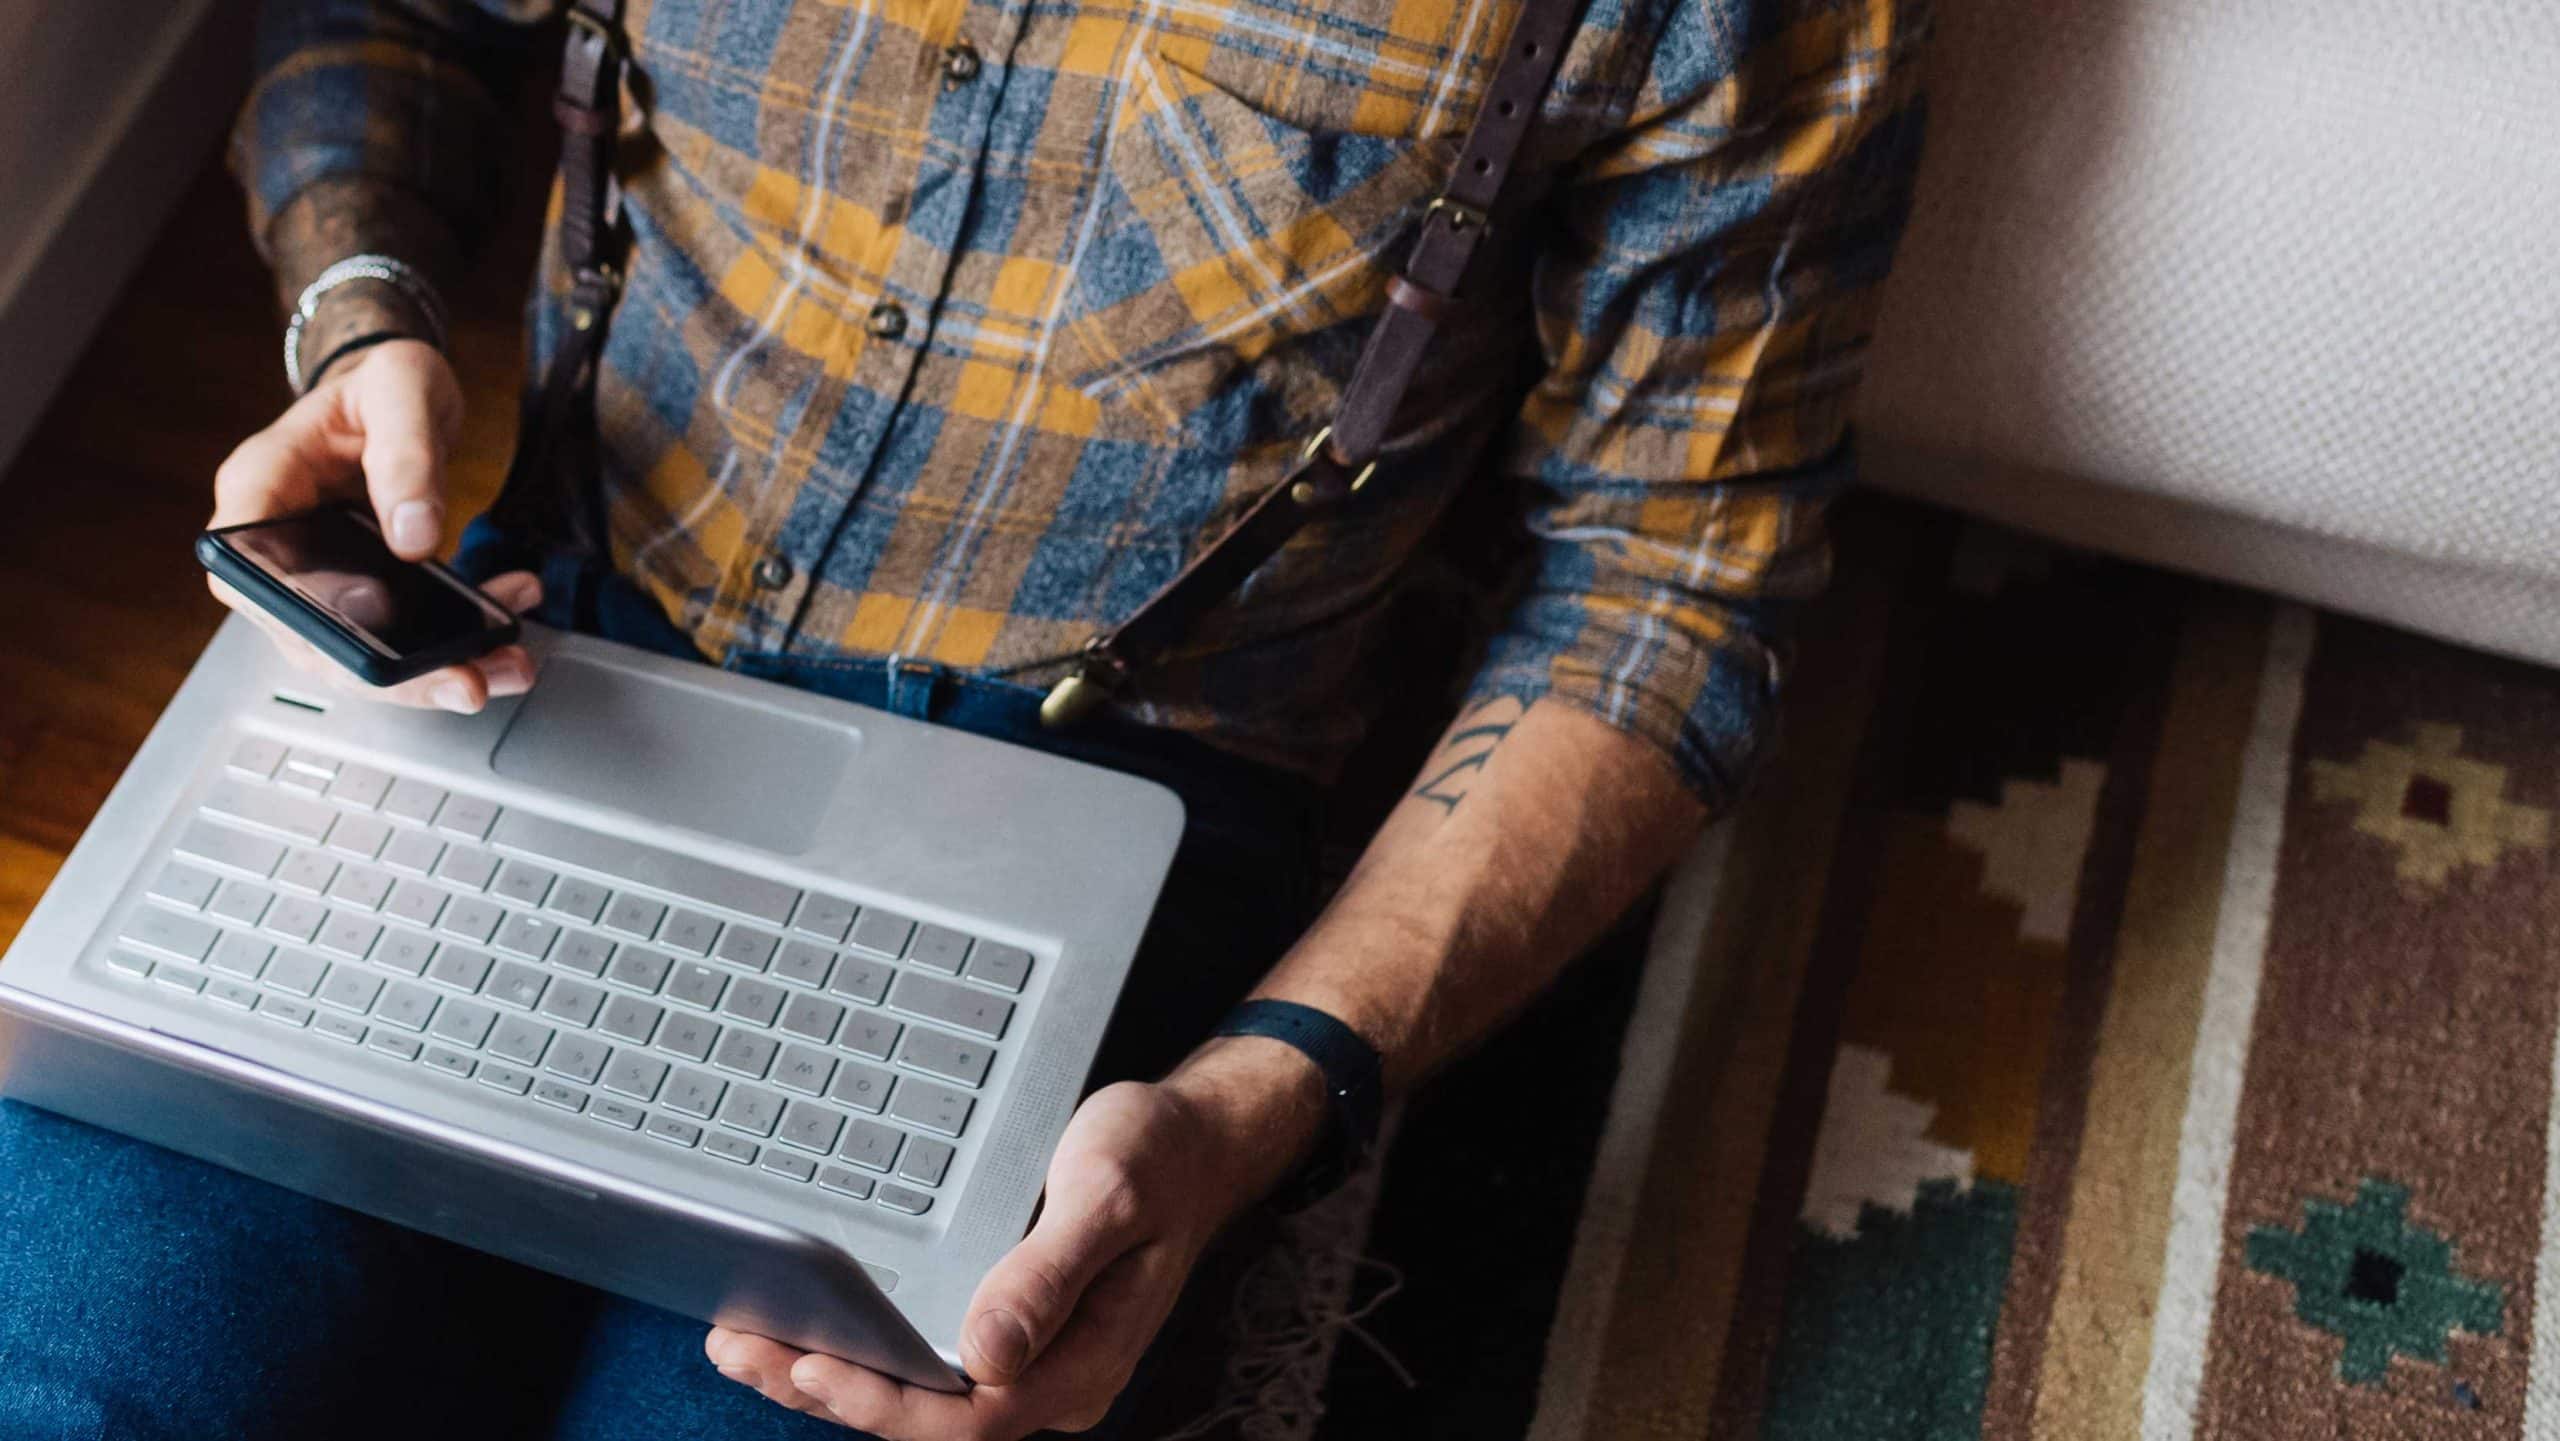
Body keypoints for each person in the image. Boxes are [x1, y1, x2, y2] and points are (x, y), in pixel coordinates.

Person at [0, 0, 1927, 1436]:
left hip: (1100, 811)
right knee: (80, 1382)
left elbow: (1673, 581)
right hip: (530, 649)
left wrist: (1255, 1102)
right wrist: (363, 310)